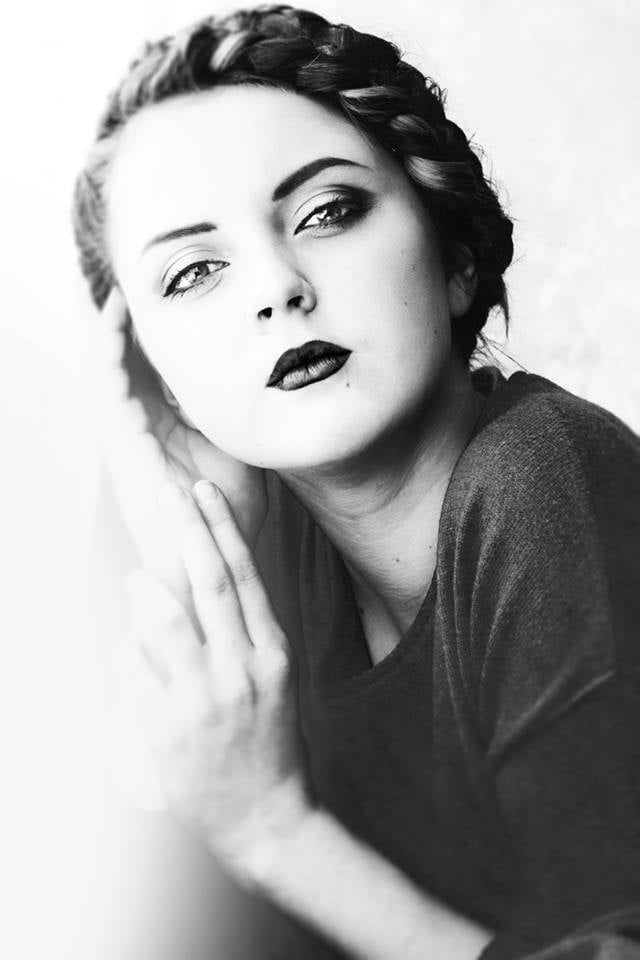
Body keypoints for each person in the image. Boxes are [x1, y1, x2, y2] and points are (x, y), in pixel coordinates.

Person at [72, 5, 640, 958]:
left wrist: (273, 832)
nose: (275, 287)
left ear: (455, 257)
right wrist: (188, 538)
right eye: (192, 273)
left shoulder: (546, 481)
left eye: (327, 212)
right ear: (158, 375)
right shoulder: (262, 540)